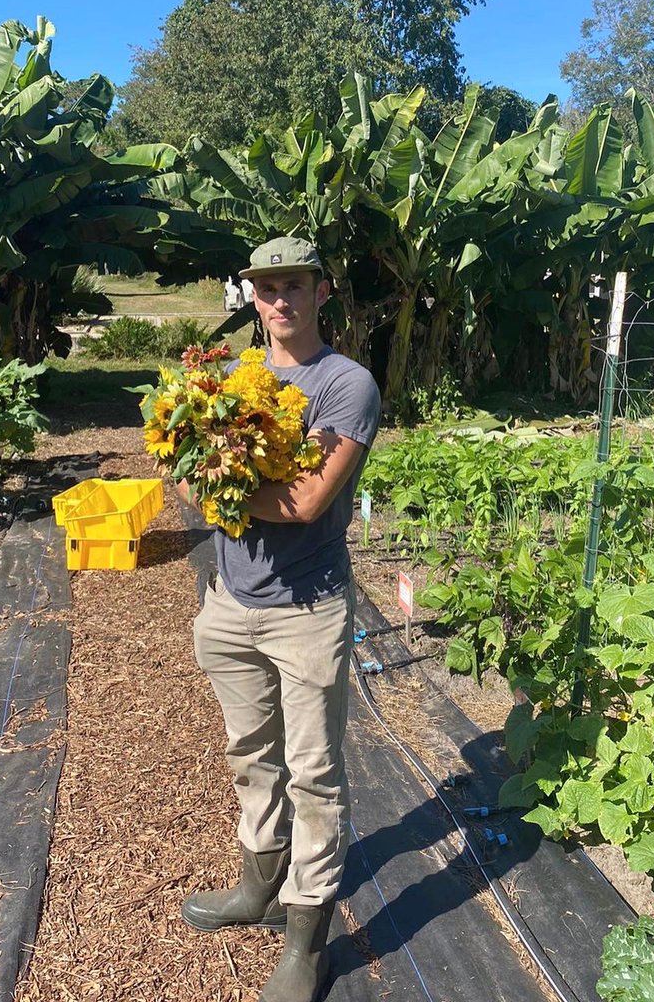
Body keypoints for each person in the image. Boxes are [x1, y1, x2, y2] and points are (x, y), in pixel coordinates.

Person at [178, 236, 381, 1002]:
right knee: (249, 755)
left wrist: (219, 491)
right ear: (252, 297)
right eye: (266, 288)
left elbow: (304, 502)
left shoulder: (346, 386)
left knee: (315, 773)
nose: (279, 301)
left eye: (294, 285)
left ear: (322, 292)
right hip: (230, 605)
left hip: (308, 611)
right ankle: (256, 887)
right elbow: (187, 463)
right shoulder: (232, 377)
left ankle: (306, 942)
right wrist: (208, 476)